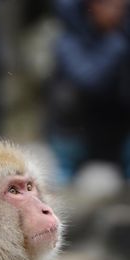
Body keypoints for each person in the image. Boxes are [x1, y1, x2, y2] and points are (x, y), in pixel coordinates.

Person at [47, 0, 130, 183]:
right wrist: (116, 44)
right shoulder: (68, 40)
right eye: (111, 5)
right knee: (67, 96)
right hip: (82, 130)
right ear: (92, 6)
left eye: (122, 6)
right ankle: (66, 166)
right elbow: (90, 80)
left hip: (120, 128)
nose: (117, 12)